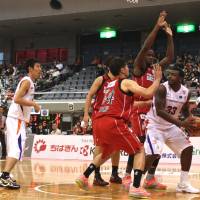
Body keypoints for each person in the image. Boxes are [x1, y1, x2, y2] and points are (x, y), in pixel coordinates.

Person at [76, 57, 162, 198]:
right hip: (113, 122)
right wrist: (157, 79)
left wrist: (143, 103)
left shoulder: (110, 85)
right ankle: (135, 187)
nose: (129, 69)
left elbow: (122, 105)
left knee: (107, 152)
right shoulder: (126, 82)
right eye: (127, 66)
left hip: (101, 120)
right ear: (122, 69)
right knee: (139, 149)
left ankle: (84, 176)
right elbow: (148, 92)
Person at [123, 10, 174, 190]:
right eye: (149, 55)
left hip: (153, 113)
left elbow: (170, 57)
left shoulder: (155, 69)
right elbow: (144, 48)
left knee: (157, 146)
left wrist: (169, 37)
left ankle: (150, 178)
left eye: (153, 55)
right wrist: (157, 27)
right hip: (138, 112)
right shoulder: (138, 69)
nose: (151, 57)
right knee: (139, 146)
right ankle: (128, 175)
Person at [144, 64, 200, 193]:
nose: (170, 76)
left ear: (181, 77)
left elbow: (185, 110)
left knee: (187, 148)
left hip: (170, 127)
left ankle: (183, 184)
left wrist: (190, 120)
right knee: (153, 154)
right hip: (155, 126)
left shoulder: (186, 91)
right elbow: (160, 111)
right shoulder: (162, 88)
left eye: (173, 74)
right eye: (169, 74)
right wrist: (181, 123)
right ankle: (136, 183)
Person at [0, 58, 41, 189]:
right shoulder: (27, 81)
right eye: (38, 67)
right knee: (17, 150)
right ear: (30, 68)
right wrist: (34, 104)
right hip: (16, 119)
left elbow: (17, 97)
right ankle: (4, 177)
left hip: (16, 119)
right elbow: (17, 99)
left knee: (14, 149)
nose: (40, 69)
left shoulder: (28, 82)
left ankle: (5, 175)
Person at [83, 56, 123, 187]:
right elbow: (89, 95)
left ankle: (114, 174)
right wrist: (86, 114)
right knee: (100, 147)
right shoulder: (101, 79)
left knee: (117, 145)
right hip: (99, 117)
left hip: (113, 118)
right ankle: (97, 175)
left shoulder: (120, 81)